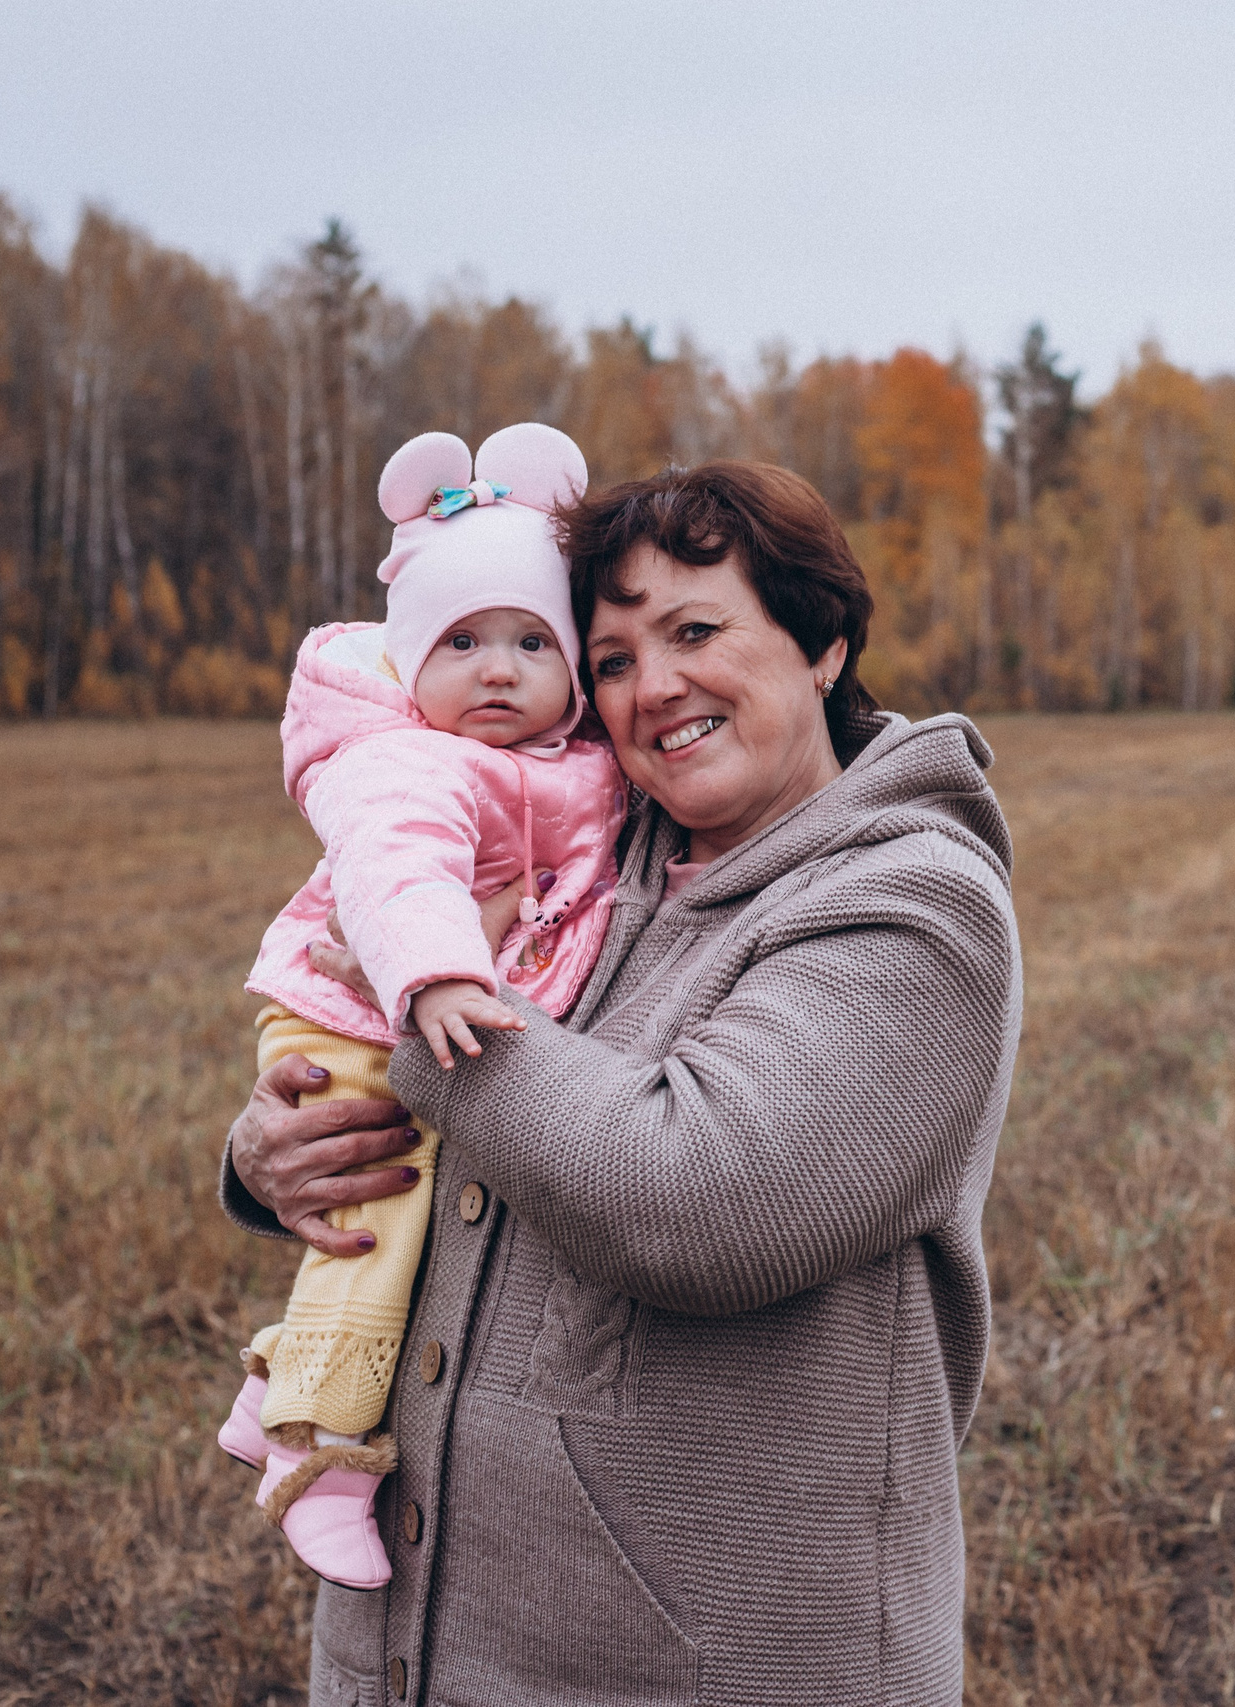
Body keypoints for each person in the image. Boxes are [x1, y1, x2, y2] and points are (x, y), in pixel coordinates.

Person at [220, 460, 1019, 1705]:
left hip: (706, 1669)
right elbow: (402, 1055)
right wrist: (281, 1150)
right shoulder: (579, 859)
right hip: (418, 1653)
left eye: (696, 631)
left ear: (822, 644)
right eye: (610, 660)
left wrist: (429, 1002)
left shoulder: (912, 906)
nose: (655, 689)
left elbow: (698, 1201)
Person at [217, 424, 626, 1588]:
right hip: (361, 1006)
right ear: (408, 660)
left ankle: (266, 1394)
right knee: (381, 1215)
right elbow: (396, 870)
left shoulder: (562, 759)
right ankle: (322, 1457)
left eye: (529, 643)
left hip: (419, 1006)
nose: (496, 670)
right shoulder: (408, 762)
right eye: (461, 642)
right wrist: (442, 973)